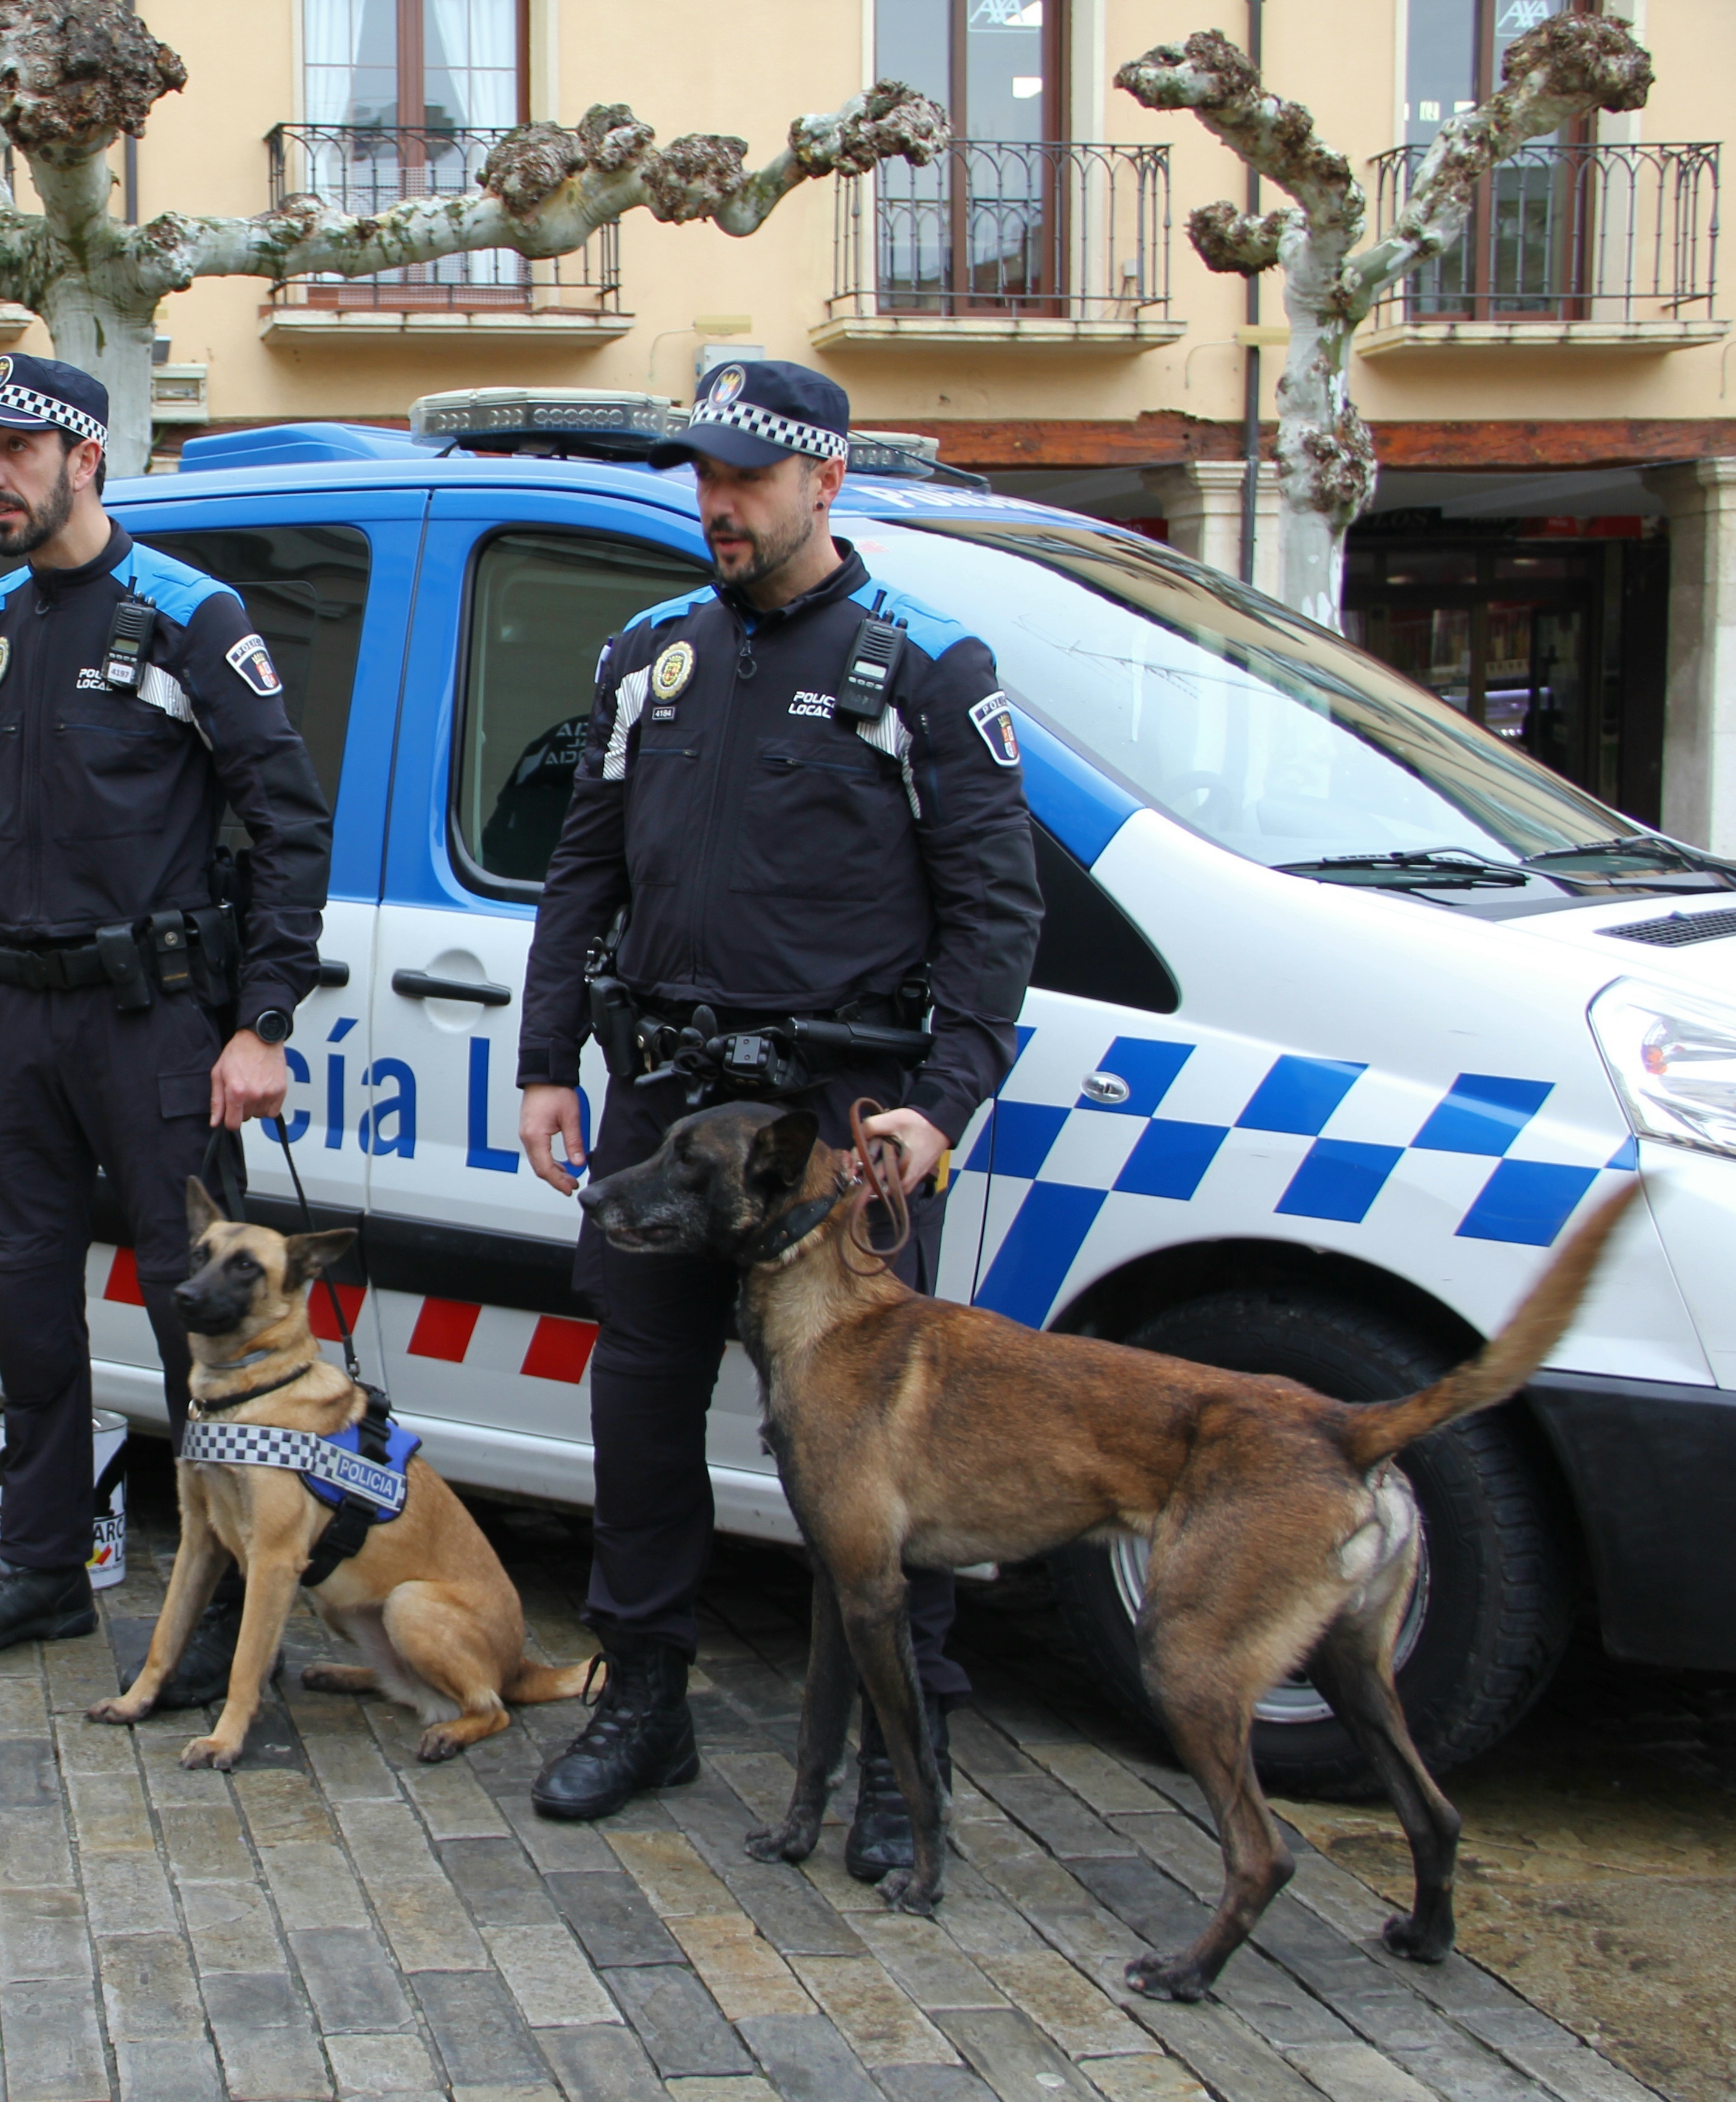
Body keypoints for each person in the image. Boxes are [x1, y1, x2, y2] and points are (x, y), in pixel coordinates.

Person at [513, 361, 1042, 1845]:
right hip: (670, 1102)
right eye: (704, 477)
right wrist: (549, 1061)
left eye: (746, 478)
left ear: (831, 478)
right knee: (639, 1399)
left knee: (878, 1441)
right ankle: (646, 1702)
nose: (718, 504)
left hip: (834, 1129)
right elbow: (584, 876)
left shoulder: (924, 671)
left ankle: (898, 1746)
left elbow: (996, 914)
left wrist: (942, 1104)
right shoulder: (649, 657)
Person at [0, 352, 333, 1665]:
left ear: (87, 458)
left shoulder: (190, 614)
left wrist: (263, 1023)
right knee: (25, 1301)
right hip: (16, 1023)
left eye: (13, 452)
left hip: (158, 1023)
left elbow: (291, 824)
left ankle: (218, 1609)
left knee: (191, 1307)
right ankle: (40, 1569)